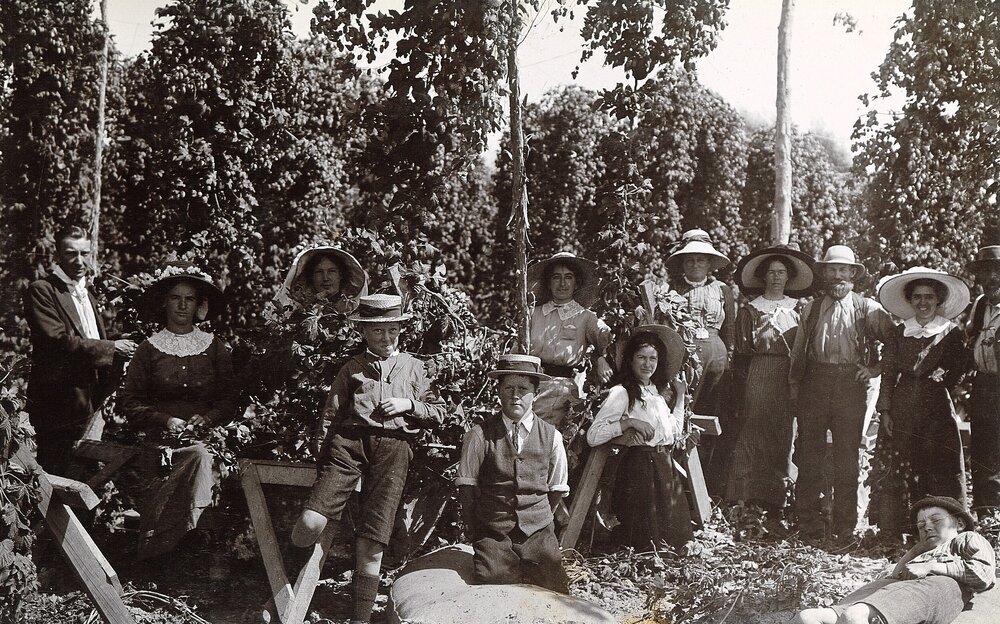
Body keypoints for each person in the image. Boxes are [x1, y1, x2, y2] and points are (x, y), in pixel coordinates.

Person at [291, 293, 447, 623]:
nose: (386, 338)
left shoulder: (416, 368)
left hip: (394, 450)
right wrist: (322, 459)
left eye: (392, 330)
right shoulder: (352, 368)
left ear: (400, 330)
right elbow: (331, 414)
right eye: (377, 331)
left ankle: (360, 619)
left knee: (373, 537)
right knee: (308, 524)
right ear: (363, 332)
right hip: (348, 446)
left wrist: (410, 406)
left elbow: (440, 411)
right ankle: (285, 585)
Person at [120, 261, 236, 559]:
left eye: (189, 299)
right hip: (159, 443)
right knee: (184, 462)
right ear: (164, 302)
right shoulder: (150, 348)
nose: (182, 305)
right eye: (175, 297)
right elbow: (130, 401)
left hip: (205, 440)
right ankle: (163, 548)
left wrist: (208, 418)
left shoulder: (213, 347)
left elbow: (228, 400)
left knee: (201, 456)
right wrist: (164, 419)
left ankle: (177, 544)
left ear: (199, 305)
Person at [789, 244, 896, 540]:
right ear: (824, 273)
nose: (838, 276)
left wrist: (874, 370)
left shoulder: (869, 309)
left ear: (853, 274)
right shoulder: (810, 309)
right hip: (815, 383)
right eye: (832, 270)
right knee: (809, 455)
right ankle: (809, 525)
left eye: (843, 271)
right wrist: (795, 389)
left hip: (851, 386)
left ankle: (844, 528)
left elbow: (894, 345)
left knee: (847, 458)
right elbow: (798, 354)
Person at [24, 225, 137, 475]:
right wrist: (112, 347)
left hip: (91, 403)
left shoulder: (88, 292)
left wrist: (126, 341)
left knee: (87, 479)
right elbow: (59, 343)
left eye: (85, 253)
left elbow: (90, 338)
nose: (79, 260)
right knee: (58, 481)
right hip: (59, 407)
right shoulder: (42, 290)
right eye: (71, 253)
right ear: (57, 254)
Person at [868, 268, 971, 536]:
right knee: (902, 464)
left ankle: (939, 530)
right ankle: (897, 529)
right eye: (917, 297)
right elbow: (889, 373)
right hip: (903, 405)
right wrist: (886, 410)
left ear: (938, 300)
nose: (923, 302)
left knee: (937, 463)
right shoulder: (901, 332)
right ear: (910, 300)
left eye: (929, 297)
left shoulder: (951, 333)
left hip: (936, 407)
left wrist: (943, 380)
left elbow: (961, 367)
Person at [456, 354, 570, 593]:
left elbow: (557, 487)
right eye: (508, 387)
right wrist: (475, 527)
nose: (515, 394)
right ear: (498, 391)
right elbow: (466, 486)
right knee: (493, 579)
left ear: (536, 394)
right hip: (494, 528)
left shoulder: (552, 436)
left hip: (538, 530)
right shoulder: (478, 435)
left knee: (554, 586)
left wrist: (538, 519)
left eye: (523, 388)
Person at [792, 496, 996, 624]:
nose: (926, 526)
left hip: (939, 586)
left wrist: (932, 565)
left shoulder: (967, 538)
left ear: (959, 523)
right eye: (920, 525)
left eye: (935, 520)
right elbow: (896, 574)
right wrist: (919, 548)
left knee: (855, 617)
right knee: (808, 617)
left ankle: (869, 617)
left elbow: (983, 574)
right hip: (896, 590)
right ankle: (855, 614)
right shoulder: (921, 551)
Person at [587, 325, 694, 550]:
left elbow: (673, 432)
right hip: (638, 470)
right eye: (641, 357)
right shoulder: (622, 393)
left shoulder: (656, 393)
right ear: (631, 360)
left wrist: (681, 395)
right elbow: (594, 435)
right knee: (644, 538)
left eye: (653, 358)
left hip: (663, 467)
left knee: (671, 539)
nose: (647, 364)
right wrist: (628, 423)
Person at [726, 246, 814, 509]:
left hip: (789, 374)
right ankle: (742, 497)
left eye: (782, 272)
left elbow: (806, 346)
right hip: (759, 371)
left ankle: (777, 499)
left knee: (785, 430)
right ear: (763, 277)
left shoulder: (799, 308)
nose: (776, 277)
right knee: (753, 429)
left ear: (789, 277)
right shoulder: (751, 310)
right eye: (772, 272)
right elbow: (741, 353)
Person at [666, 228, 735, 496]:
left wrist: (730, 360)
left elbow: (730, 331)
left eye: (701, 259)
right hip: (685, 357)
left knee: (711, 415)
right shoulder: (672, 290)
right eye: (690, 259)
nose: (696, 264)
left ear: (710, 263)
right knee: (682, 413)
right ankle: (678, 485)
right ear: (683, 263)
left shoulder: (722, 290)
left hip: (717, 359)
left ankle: (706, 485)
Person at [527, 251, 612, 427]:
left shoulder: (585, 317)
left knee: (543, 436)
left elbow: (607, 339)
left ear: (576, 283)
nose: (562, 283)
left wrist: (602, 357)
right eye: (556, 277)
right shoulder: (533, 314)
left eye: (569, 277)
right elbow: (517, 350)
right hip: (529, 383)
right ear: (549, 283)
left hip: (561, 388)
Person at [966, 244, 1000, 513]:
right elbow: (970, 342)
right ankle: (986, 513)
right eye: (986, 272)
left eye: (997, 272)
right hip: (983, 386)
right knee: (982, 449)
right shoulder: (980, 305)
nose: (992, 278)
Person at [269, 245, 368, 319]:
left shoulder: (350, 307)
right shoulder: (299, 308)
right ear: (311, 277)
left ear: (341, 275)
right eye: (319, 272)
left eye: (331, 271)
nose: (325, 278)